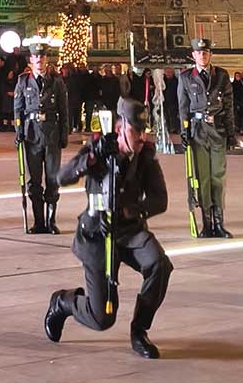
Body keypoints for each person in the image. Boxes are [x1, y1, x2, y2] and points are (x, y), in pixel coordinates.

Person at [43, 98, 173, 358]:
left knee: (160, 264)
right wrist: (90, 158)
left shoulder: (145, 156)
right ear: (120, 127)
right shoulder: (99, 149)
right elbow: (61, 177)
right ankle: (63, 302)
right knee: (101, 318)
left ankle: (139, 331)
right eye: (136, 130)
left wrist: (132, 210)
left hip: (130, 231)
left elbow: (160, 200)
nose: (141, 136)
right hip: (96, 234)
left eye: (144, 130)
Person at [177, 37, 237, 237]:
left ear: (210, 54)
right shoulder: (186, 77)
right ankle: (207, 223)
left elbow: (228, 107)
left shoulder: (221, 75)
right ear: (193, 55)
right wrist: (184, 132)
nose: (202, 55)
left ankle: (219, 223)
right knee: (202, 178)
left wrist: (231, 133)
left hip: (218, 131)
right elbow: (183, 108)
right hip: (198, 132)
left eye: (206, 52)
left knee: (217, 178)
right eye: (199, 53)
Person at [13, 44, 70, 234]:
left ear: (46, 60)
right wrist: (19, 131)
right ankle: (39, 222)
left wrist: (64, 134)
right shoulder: (23, 81)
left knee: (53, 179)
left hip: (52, 134)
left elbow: (64, 110)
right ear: (31, 60)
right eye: (36, 57)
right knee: (34, 181)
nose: (39, 60)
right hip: (31, 135)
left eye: (42, 57)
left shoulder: (56, 81)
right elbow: (18, 109)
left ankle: (50, 221)